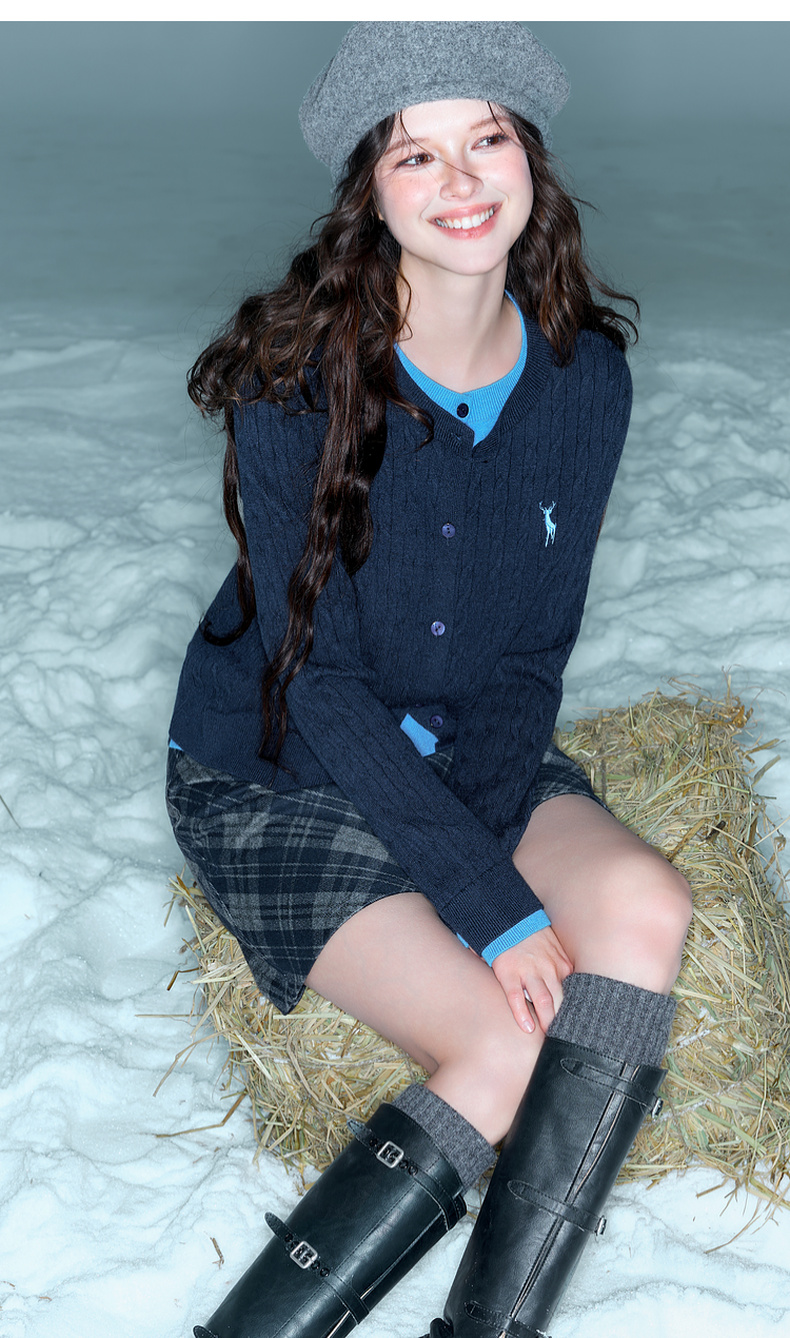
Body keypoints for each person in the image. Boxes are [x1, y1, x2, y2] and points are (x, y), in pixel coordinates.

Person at [166, 21, 693, 1338]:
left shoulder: (584, 379)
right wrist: (488, 904)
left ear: (530, 161)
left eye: (487, 138)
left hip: (468, 738)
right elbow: (318, 683)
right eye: (415, 155)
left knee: (644, 904)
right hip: (281, 760)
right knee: (503, 1046)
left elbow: (531, 653)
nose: (459, 180)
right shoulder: (294, 381)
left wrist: (479, 842)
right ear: (371, 191)